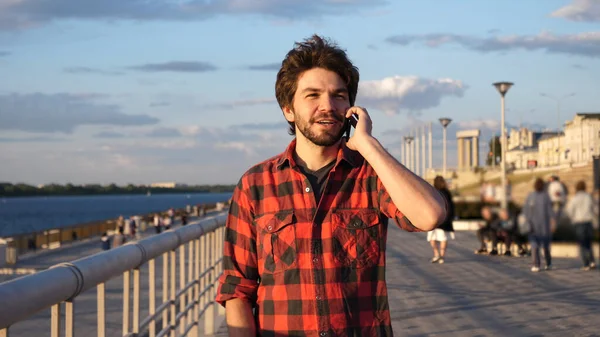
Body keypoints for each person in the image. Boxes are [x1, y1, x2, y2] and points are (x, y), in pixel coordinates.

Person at [215, 35, 447, 337]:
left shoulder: (370, 175)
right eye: (312, 95)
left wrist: (367, 144)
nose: (328, 106)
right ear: (288, 108)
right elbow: (237, 289)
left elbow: (430, 215)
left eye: (339, 96)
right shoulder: (255, 186)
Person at [523, 178, 555, 272]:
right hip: (544, 226)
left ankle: (536, 265)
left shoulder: (530, 196)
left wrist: (527, 221)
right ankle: (548, 263)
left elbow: (526, 211)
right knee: (545, 246)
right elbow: (550, 211)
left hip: (533, 225)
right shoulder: (546, 196)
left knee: (534, 245)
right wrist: (553, 223)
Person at [564, 180, 597, 271]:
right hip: (588, 222)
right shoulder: (588, 197)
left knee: (582, 244)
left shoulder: (575, 198)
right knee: (588, 243)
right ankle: (592, 261)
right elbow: (595, 209)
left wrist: (573, 219)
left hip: (579, 223)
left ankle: (586, 264)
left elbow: (569, 211)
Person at [428, 176, 455, 264]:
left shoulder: (434, 192)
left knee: (432, 238)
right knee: (443, 238)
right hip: (445, 218)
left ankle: (436, 254)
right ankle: (442, 256)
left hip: (435, 218)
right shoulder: (447, 192)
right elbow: (451, 206)